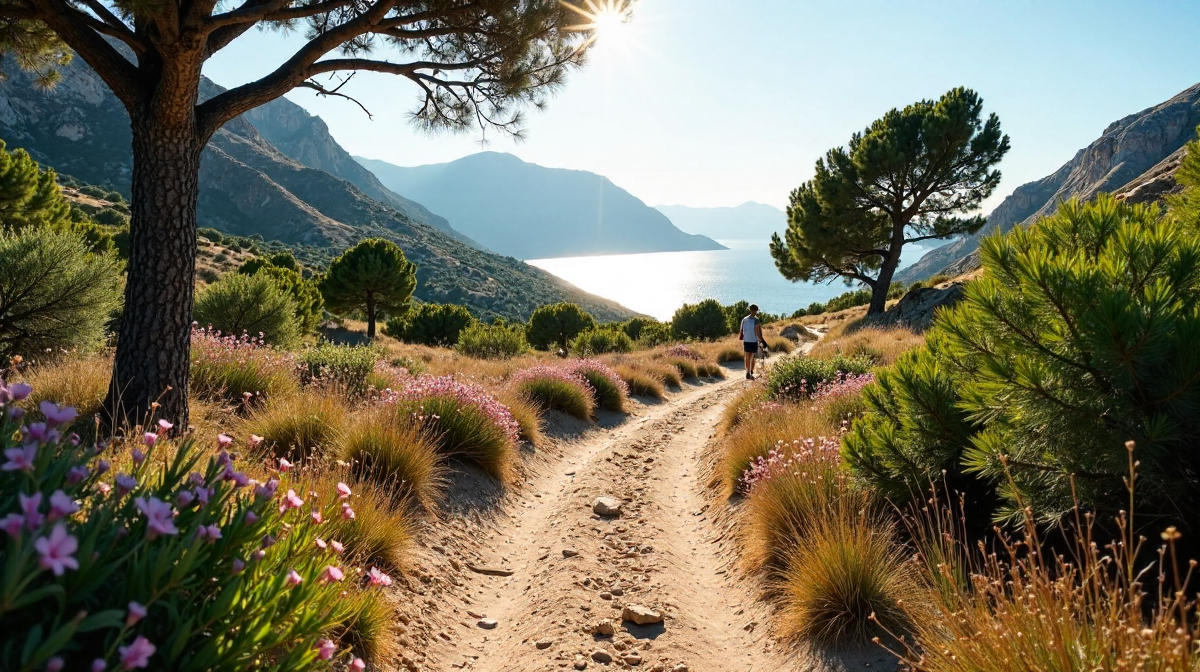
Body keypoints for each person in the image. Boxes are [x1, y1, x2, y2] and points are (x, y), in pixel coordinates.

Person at [738, 304, 766, 380]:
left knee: (747, 356)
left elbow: (741, 330)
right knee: (752, 356)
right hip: (753, 340)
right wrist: (762, 340)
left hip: (746, 340)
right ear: (755, 311)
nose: (755, 312)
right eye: (755, 311)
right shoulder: (756, 320)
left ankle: (748, 371)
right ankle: (750, 370)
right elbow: (758, 331)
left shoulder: (744, 319)